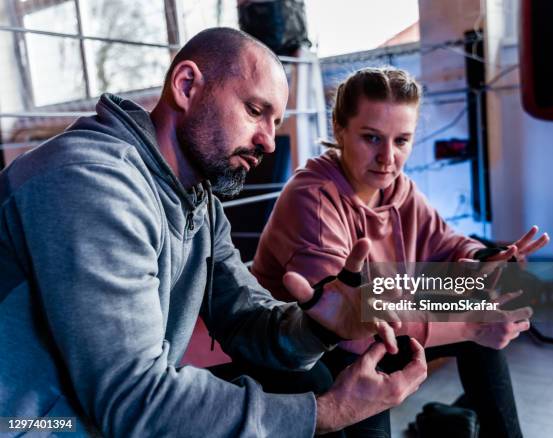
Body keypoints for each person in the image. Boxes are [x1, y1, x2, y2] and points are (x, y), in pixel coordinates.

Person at [0, 29, 428, 437]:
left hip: (100, 411)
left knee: (307, 383)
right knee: (315, 405)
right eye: (255, 111)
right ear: (187, 86)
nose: (269, 142)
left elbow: (245, 322)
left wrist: (323, 328)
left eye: (402, 140)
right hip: (32, 425)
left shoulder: (198, 200)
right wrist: (329, 412)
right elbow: (135, 401)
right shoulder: (91, 181)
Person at [252, 67, 550, 437]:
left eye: (401, 140)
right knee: (463, 330)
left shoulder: (398, 190)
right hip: (315, 345)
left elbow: (446, 243)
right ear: (339, 130)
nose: (388, 158)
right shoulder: (312, 199)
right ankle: (440, 422)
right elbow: (347, 324)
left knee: (484, 323)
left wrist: (484, 259)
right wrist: (471, 323)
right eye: (372, 138)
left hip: (378, 325)